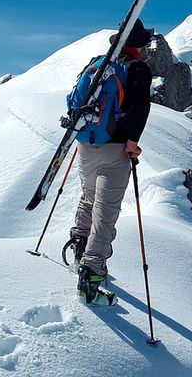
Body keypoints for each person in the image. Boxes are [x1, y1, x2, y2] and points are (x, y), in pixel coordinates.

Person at [69, 19, 154, 303]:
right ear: (138, 45)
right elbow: (140, 108)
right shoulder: (137, 68)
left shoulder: (100, 64)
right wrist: (132, 143)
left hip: (86, 143)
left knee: (89, 197)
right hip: (114, 150)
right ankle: (91, 276)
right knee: (106, 213)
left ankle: (79, 246)